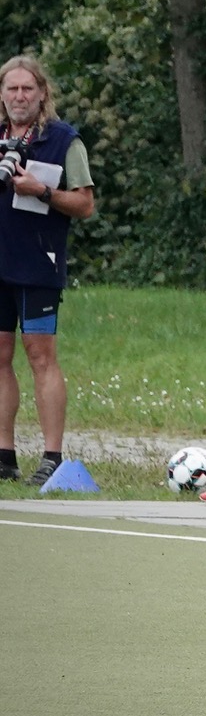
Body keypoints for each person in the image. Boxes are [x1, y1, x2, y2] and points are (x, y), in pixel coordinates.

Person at [0, 57, 96, 486]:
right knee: (0, 357)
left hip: (38, 263)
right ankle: (4, 455)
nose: (19, 97)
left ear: (42, 94)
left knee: (40, 356)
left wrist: (39, 190)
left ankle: (52, 456)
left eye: (27, 89)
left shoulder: (63, 140)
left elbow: (84, 204)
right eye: (12, 89)